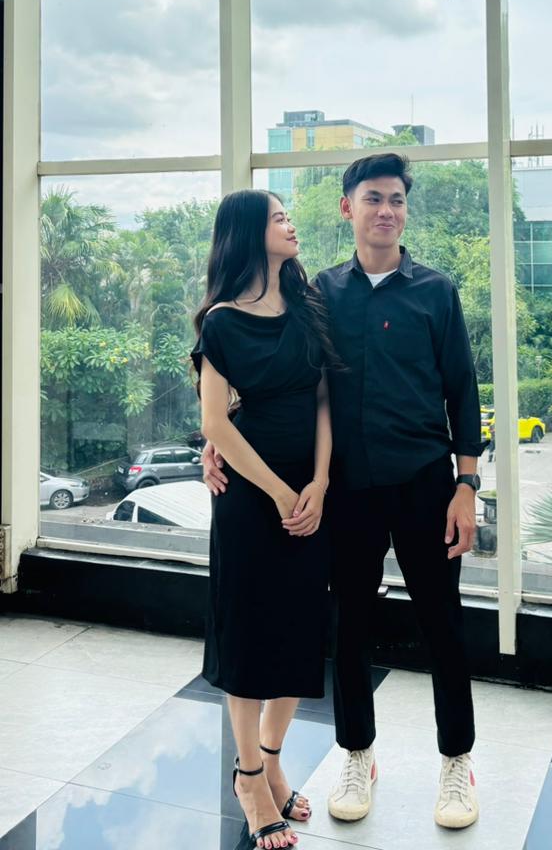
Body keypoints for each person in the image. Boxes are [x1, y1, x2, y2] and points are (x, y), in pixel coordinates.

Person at [203, 154, 483, 831]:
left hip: (424, 481)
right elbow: (276, 370)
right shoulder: (317, 293)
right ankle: (357, 755)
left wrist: (467, 483)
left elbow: (463, 389)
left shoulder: (437, 291)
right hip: (347, 489)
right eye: (373, 198)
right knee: (349, 624)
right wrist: (218, 435)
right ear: (347, 208)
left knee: (442, 623)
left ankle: (457, 762)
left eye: (397, 200)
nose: (386, 210)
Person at [192, 189, 335, 850]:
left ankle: (273, 760)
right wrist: (280, 492)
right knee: (249, 635)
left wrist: (320, 482)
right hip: (252, 500)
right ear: (250, 233)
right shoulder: (221, 323)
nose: (291, 224)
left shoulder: (307, 305)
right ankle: (250, 777)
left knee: (299, 631)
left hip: (311, 492)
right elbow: (216, 422)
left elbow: (324, 400)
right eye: (279, 217)